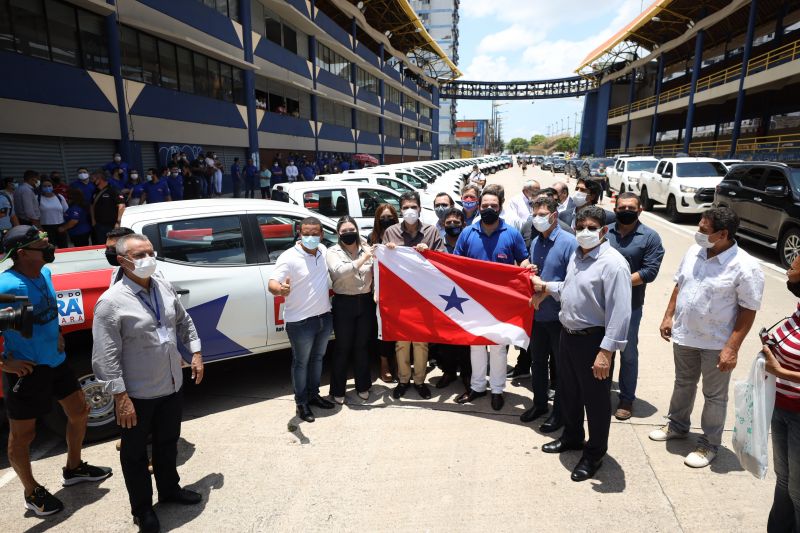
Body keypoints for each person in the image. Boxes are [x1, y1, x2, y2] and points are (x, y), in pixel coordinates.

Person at [93, 233, 204, 533]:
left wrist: (195, 351)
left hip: (171, 385)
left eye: (150, 253)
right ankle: (142, 509)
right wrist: (121, 398)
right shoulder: (111, 303)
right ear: (122, 261)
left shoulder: (163, 287)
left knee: (168, 443)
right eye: (139, 255)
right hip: (137, 394)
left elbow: (183, 321)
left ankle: (170, 490)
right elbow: (105, 357)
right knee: (134, 455)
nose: (147, 260)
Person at [1, 226, 112, 516]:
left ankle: (73, 468)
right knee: (23, 437)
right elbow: (8, 329)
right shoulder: (11, 287)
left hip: (56, 361)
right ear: (23, 253)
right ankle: (31, 491)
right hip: (28, 372)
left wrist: (58, 332)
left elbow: (40, 317)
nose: (48, 248)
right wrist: (5, 363)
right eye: (41, 244)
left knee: (79, 411)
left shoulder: (44, 275)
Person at [651, 206, 764, 468]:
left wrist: (732, 348)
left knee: (714, 396)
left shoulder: (745, 266)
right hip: (686, 335)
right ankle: (678, 425)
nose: (698, 233)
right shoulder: (694, 252)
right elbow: (680, 283)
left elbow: (748, 311)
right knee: (683, 383)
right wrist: (669, 316)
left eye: (704, 230)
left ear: (723, 234)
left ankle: (709, 444)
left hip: (716, 343)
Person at [531, 205, 632, 482]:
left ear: (603, 231)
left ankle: (594, 453)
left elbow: (620, 312)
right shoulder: (578, 255)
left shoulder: (613, 264)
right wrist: (545, 287)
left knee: (596, 403)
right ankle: (573, 437)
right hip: (568, 335)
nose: (584, 232)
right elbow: (568, 288)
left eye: (591, 228)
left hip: (594, 342)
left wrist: (606, 352)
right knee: (569, 392)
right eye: (580, 227)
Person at [454, 184, 530, 411]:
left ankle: (497, 389)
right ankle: (477, 387)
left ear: (500, 207)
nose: (488, 208)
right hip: (473, 300)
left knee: (498, 347)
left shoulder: (512, 233)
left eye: (493, 205)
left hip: (500, 301)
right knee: (476, 345)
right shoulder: (468, 233)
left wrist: (528, 267)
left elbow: (522, 260)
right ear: (478, 206)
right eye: (484, 205)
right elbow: (456, 263)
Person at [268, 217, 335, 423]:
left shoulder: (324, 251)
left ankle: (314, 395)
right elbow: (272, 283)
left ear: (322, 234)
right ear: (300, 234)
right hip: (300, 323)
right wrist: (281, 289)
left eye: (315, 233)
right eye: (306, 233)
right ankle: (301, 402)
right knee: (301, 363)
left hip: (324, 317)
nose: (311, 237)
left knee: (317, 359)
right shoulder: (288, 257)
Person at [519, 197, 578, 432]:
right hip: (538, 316)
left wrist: (544, 291)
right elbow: (535, 275)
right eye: (535, 214)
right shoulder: (536, 242)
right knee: (537, 363)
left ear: (554, 216)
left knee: (561, 368)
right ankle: (540, 404)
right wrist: (528, 267)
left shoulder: (569, 243)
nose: (538, 219)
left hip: (559, 317)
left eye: (542, 214)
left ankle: (560, 413)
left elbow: (573, 282)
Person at [606, 192, 664, 420]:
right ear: (615, 209)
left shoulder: (650, 237)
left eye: (631, 208)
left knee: (628, 353)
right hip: (602, 303)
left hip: (630, 305)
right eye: (622, 208)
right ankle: (601, 392)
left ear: (640, 210)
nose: (626, 211)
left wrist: (617, 281)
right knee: (603, 348)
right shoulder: (605, 231)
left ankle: (627, 398)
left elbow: (650, 271)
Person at [382, 191, 445, 400]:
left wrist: (429, 253)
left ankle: (419, 381)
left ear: (419, 208)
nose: (410, 211)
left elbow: (442, 261)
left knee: (420, 341)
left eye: (414, 207)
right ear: (401, 210)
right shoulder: (390, 232)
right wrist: (388, 251)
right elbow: (382, 263)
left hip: (423, 295)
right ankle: (403, 380)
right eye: (406, 207)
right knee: (401, 342)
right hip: (399, 296)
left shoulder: (431, 232)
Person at [761, 253, 800, 532]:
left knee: (798, 491)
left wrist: (782, 372)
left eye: (796, 266)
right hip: (782, 406)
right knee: (783, 479)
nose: (788, 269)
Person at [326, 216, 374, 404]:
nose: (348, 234)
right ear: (338, 233)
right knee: (342, 347)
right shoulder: (333, 252)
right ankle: (338, 390)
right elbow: (340, 272)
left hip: (366, 301)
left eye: (351, 229)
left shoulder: (367, 249)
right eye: (344, 231)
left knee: (361, 346)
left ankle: (363, 386)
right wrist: (364, 258)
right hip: (344, 303)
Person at [435, 207, 472, 391]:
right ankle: (448, 372)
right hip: (444, 297)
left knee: (465, 338)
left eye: (456, 223)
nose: (452, 226)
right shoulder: (438, 244)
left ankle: (467, 373)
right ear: (443, 224)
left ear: (464, 225)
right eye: (448, 223)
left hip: (466, 297)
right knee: (446, 339)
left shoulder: (469, 242)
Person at [369, 204, 399, 383]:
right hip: (379, 290)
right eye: (383, 218)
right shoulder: (371, 237)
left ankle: (398, 361)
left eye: (390, 217)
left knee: (396, 329)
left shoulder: (400, 236)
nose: (387, 221)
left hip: (398, 291)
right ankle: (384, 364)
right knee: (381, 329)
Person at [90, 171, 126, 244]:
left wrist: (118, 222)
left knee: (114, 245)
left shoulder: (113, 190)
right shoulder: (95, 191)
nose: (92, 181)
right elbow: (91, 205)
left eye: (93, 179)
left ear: (99, 179)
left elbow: (121, 206)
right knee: (102, 245)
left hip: (112, 225)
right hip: (99, 225)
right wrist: (93, 220)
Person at [37, 178, 69, 248]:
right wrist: (40, 229)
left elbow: (66, 211)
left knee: (63, 247)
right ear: (41, 188)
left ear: (52, 186)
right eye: (45, 186)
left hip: (60, 226)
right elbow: (35, 215)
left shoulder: (59, 197)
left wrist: (65, 226)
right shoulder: (37, 198)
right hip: (44, 228)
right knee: (47, 248)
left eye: (49, 185)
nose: (47, 187)